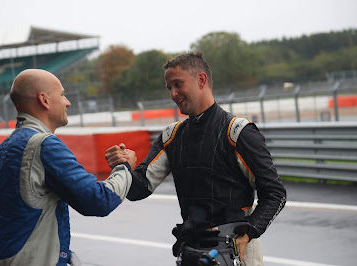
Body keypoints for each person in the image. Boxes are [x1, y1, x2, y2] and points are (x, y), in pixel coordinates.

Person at [105, 52, 286, 265]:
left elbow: (275, 193)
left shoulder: (237, 132)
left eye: (178, 84)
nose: (173, 93)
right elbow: (138, 189)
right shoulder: (171, 136)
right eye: (169, 88)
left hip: (238, 253)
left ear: (201, 80)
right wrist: (123, 166)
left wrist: (247, 235)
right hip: (191, 250)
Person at [0, 69, 136, 266]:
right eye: (62, 95)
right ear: (45, 100)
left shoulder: (6, 147)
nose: (68, 102)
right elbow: (98, 200)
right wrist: (124, 167)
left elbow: (24, 216)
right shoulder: (44, 144)